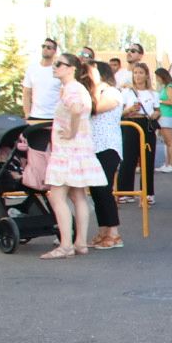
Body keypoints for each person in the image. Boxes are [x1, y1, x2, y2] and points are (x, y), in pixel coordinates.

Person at [39, 53, 105, 259]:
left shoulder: (71, 89)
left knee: (57, 196)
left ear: (71, 68)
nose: (55, 66)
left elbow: (76, 110)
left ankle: (66, 244)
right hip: (80, 150)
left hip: (68, 151)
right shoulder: (79, 88)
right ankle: (80, 242)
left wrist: (71, 132)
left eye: (60, 64)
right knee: (78, 196)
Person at [86, 61, 125, 250]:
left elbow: (94, 108)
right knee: (95, 190)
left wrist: (96, 85)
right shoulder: (93, 92)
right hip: (92, 147)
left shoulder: (112, 92)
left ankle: (114, 233)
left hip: (108, 146)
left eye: (91, 72)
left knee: (104, 189)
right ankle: (103, 230)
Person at [117, 62, 158, 204]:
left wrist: (155, 115)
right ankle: (124, 191)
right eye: (135, 73)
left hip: (146, 124)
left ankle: (147, 193)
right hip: (130, 124)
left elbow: (158, 110)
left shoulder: (153, 93)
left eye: (141, 72)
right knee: (128, 158)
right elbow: (119, 113)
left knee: (147, 158)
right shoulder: (126, 92)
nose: (138, 76)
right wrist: (129, 110)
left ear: (146, 75)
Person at [21, 36, 61, 121]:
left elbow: (64, 95)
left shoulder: (59, 70)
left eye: (49, 47)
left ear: (55, 51)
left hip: (54, 117)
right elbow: (26, 93)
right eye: (43, 46)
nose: (45, 49)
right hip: (35, 116)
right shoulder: (32, 69)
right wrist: (27, 113)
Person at [154, 67, 172, 174]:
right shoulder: (165, 87)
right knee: (167, 142)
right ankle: (167, 163)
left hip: (167, 115)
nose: (156, 79)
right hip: (164, 116)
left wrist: (159, 100)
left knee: (170, 142)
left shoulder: (169, 87)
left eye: (157, 77)